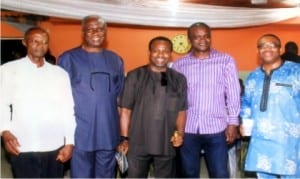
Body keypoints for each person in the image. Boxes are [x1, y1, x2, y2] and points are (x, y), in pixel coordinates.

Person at [0, 27, 76, 178]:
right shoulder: (8, 70)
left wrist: (70, 142)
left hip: (54, 145)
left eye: (44, 42)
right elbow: (2, 103)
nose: (40, 45)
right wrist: (5, 131)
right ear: (25, 42)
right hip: (22, 144)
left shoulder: (60, 74)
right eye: (35, 41)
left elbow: (68, 110)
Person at [57, 15, 125, 178]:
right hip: (80, 132)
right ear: (83, 32)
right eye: (90, 29)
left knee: (106, 174)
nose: (96, 32)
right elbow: (58, 98)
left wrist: (123, 136)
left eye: (100, 28)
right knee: (81, 174)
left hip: (108, 132)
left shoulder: (116, 59)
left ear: (105, 32)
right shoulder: (68, 58)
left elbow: (119, 99)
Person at [172, 22, 241, 178]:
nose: (202, 40)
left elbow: (233, 93)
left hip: (217, 127)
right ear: (190, 40)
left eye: (206, 36)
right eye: (197, 37)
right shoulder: (179, 65)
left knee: (220, 173)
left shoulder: (225, 60)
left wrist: (233, 123)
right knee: (188, 173)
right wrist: (175, 127)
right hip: (187, 128)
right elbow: (174, 98)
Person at [117, 36, 188, 178]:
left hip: (166, 142)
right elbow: (125, 110)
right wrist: (125, 139)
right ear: (149, 52)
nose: (161, 55)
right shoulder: (134, 76)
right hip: (137, 142)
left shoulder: (179, 79)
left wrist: (180, 133)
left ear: (170, 53)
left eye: (165, 51)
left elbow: (181, 110)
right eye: (156, 51)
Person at [240, 34, 300, 178]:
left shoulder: (295, 71)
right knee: (264, 174)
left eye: (272, 45)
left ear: (279, 49)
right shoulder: (253, 76)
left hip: (290, 139)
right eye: (263, 46)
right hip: (261, 139)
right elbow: (246, 102)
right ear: (258, 51)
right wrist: (244, 122)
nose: (267, 48)